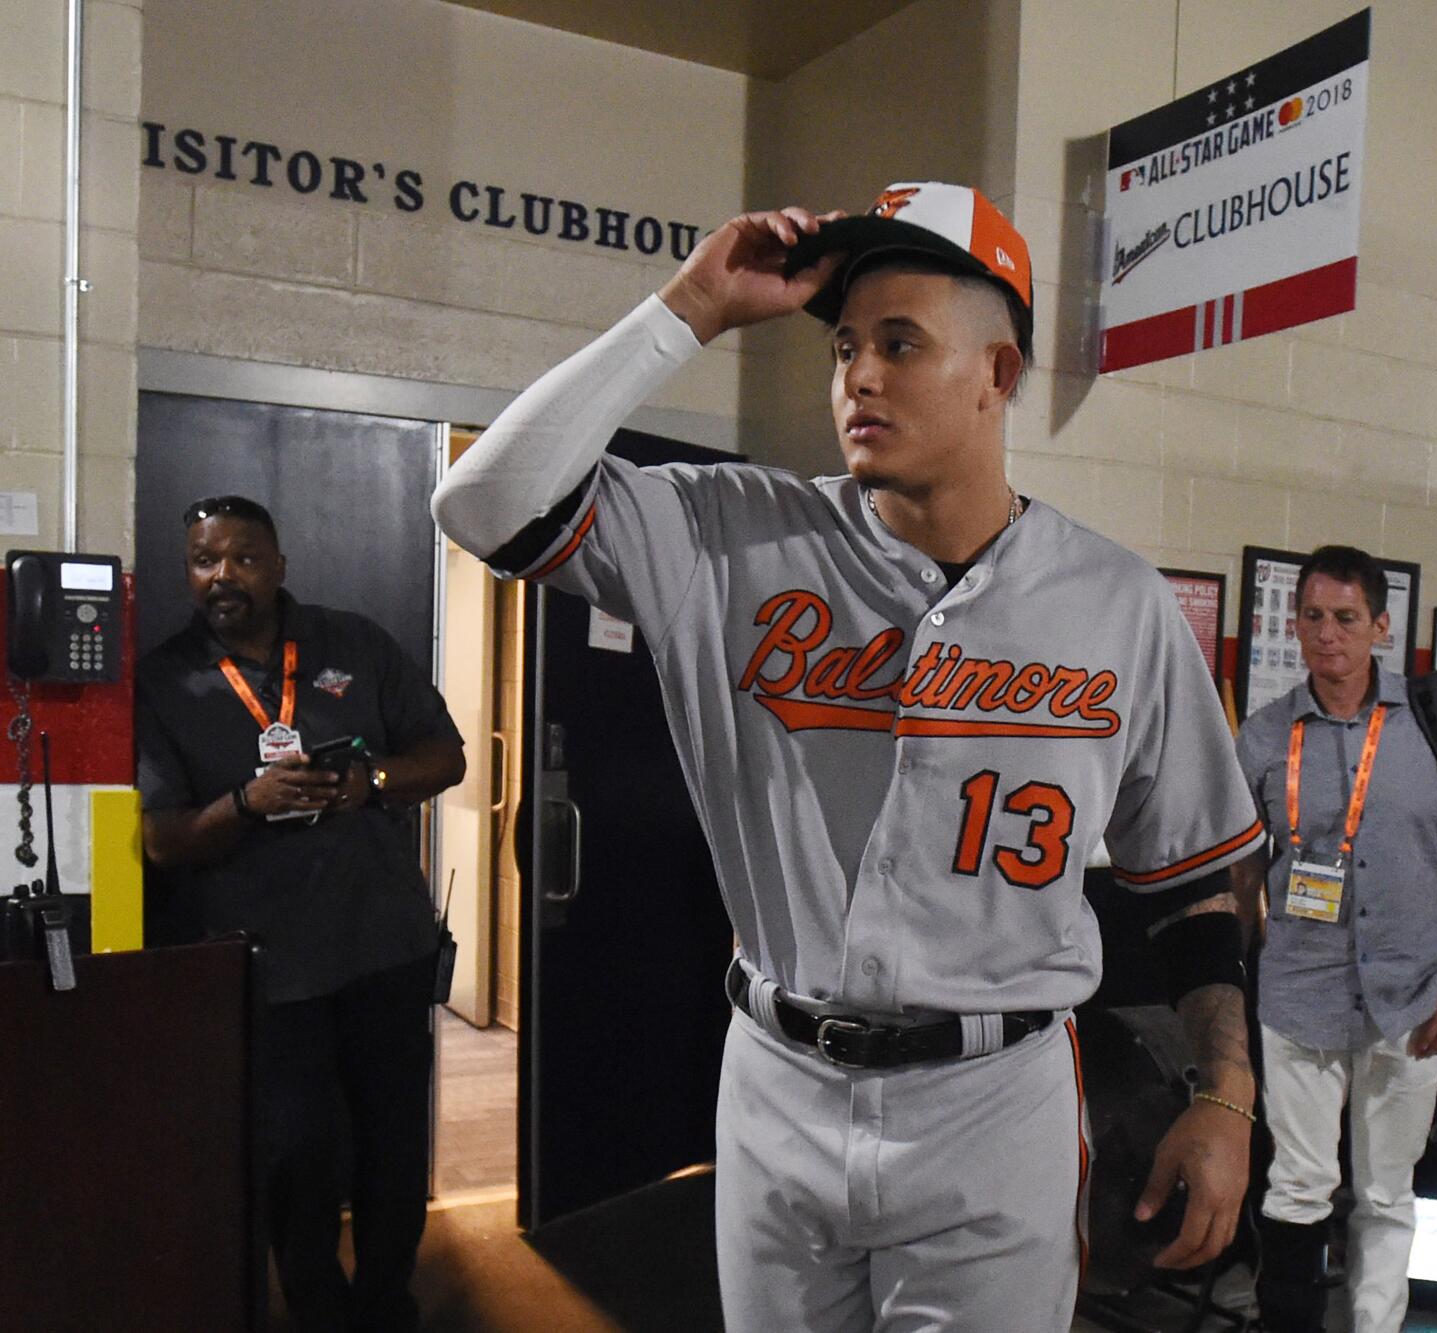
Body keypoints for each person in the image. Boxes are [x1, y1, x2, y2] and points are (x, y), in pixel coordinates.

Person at [433, 182, 1265, 1330]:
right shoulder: (730, 534)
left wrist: (1226, 1094)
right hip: (780, 1077)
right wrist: (691, 305)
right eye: (844, 347)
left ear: (998, 375)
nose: (858, 377)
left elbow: (1191, 886)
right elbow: (482, 500)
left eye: (900, 343)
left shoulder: (1116, 602)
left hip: (995, 1097)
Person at [135, 495, 466, 1332]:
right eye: (205, 561)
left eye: (243, 557)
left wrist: (371, 784)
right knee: (299, 1159)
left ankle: (388, 1302)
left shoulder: (353, 642)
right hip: (269, 971)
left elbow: (446, 754)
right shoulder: (163, 680)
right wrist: (247, 801)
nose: (223, 576)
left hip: (385, 948)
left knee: (393, 1150)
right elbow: (163, 840)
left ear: (279, 565)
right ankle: (317, 1309)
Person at [1232, 544, 1437, 1333]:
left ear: (1380, 625)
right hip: (1299, 994)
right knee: (1297, 1185)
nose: (1325, 634)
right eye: (1310, 616)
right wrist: (1251, 963)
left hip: (1413, 996)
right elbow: (1243, 864)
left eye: (1345, 618)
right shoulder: (1268, 735)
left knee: (1385, 1191)